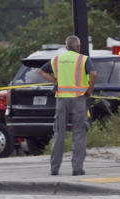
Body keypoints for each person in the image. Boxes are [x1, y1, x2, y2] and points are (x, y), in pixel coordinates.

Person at [37, 35, 96, 176]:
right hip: (78, 99)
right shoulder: (84, 59)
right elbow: (93, 74)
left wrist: (55, 81)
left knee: (59, 133)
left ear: (66, 47)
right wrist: (89, 90)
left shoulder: (58, 60)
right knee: (79, 134)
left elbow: (41, 71)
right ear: (79, 47)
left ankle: (54, 168)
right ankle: (77, 168)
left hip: (62, 100)